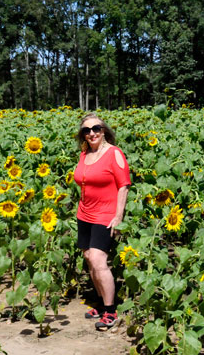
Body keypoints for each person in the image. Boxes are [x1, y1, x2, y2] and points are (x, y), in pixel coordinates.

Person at [73, 113, 131, 331]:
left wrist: (118, 216)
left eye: (96, 128)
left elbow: (123, 185)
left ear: (104, 130)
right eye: (86, 130)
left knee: (98, 261)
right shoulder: (84, 154)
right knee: (89, 258)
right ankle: (98, 302)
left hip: (105, 215)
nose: (91, 133)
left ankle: (110, 310)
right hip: (84, 214)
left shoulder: (114, 153)